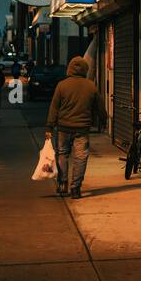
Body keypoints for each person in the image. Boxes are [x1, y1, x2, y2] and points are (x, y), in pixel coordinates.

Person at [45, 55, 106, 199]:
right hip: (82, 129)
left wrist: (49, 127)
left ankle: (63, 183)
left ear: (69, 69)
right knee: (80, 157)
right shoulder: (91, 86)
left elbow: (54, 108)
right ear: (85, 69)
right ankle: (75, 188)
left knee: (62, 154)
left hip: (63, 128)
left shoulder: (62, 85)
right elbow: (100, 107)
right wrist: (103, 121)